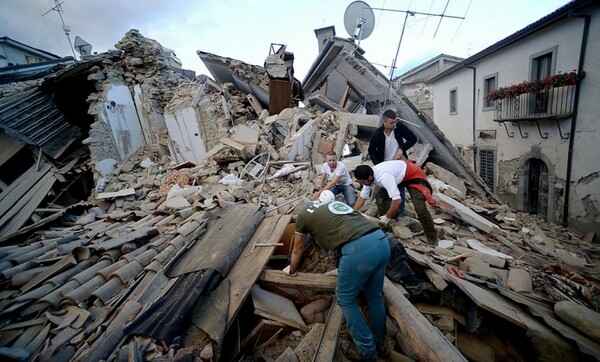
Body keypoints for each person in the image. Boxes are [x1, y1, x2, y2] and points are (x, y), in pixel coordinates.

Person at [288, 198, 390, 361]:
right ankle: (381, 342)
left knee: (345, 298)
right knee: (374, 295)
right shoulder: (328, 204)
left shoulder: (303, 216)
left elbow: (298, 248)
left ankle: (366, 351)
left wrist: (292, 271)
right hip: (381, 240)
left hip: (358, 249)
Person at [353, 160, 439, 244]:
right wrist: (353, 212)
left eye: (363, 182)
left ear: (370, 177)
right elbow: (362, 196)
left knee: (420, 208)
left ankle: (432, 237)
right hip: (398, 177)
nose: (363, 184)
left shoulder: (384, 177)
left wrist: (387, 217)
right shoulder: (368, 176)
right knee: (380, 199)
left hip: (413, 175)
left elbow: (397, 200)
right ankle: (386, 226)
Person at [367, 109, 417, 217]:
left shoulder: (399, 128)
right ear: (384, 122)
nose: (394, 124)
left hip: (398, 164)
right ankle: (387, 212)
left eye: (395, 122)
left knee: (400, 187)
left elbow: (413, 139)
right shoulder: (377, 134)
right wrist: (378, 165)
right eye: (391, 123)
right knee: (386, 189)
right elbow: (371, 151)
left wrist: (402, 149)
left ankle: (399, 212)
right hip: (384, 165)